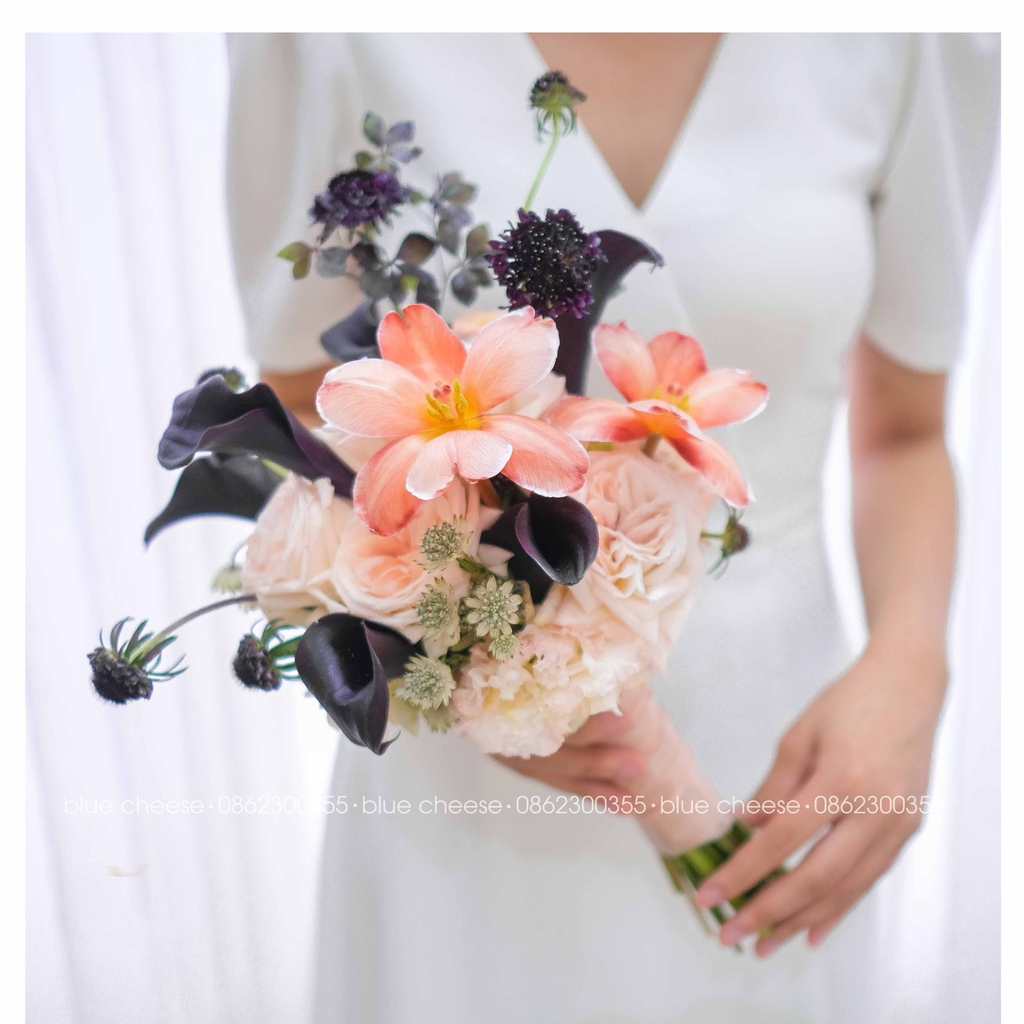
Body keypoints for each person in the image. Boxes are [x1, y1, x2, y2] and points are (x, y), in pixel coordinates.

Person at [226, 32, 998, 1022]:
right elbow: (304, 413)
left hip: (780, 753)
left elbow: (904, 433)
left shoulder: (913, 35)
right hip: (470, 773)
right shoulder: (322, 32)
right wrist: (469, 671)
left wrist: (911, 669)